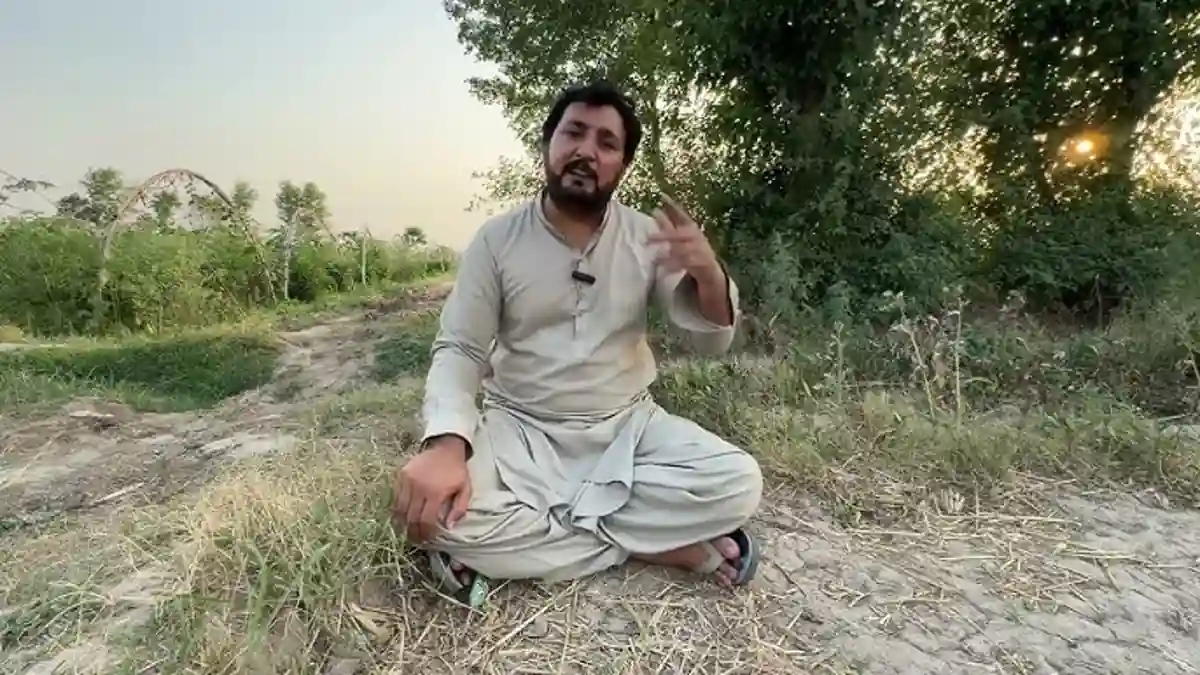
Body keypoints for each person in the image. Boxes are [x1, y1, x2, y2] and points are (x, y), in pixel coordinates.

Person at [391, 80, 763, 595]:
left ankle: (532, 550)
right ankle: (651, 544)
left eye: (607, 143)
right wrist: (448, 443)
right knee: (441, 516)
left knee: (738, 483)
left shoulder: (646, 238)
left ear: (622, 165)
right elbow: (461, 348)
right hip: (520, 427)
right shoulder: (497, 241)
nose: (586, 151)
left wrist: (709, 274)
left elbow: (710, 343)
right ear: (549, 145)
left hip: (626, 427)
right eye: (574, 133)